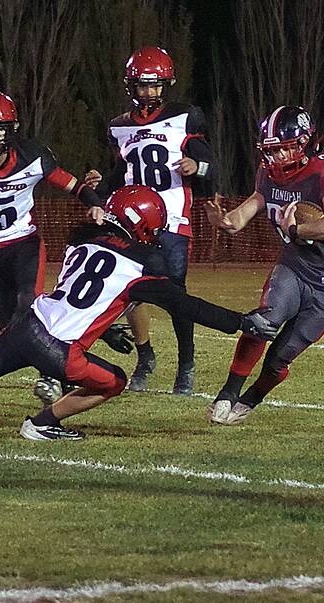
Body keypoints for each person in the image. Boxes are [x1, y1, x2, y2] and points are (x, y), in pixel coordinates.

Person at [0, 185, 278, 440]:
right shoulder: (140, 266)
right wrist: (239, 322)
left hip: (27, 323)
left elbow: (86, 298)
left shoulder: (82, 243)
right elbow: (186, 305)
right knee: (113, 381)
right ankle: (43, 423)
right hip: (59, 347)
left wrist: (110, 328)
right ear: (147, 225)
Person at [0, 90, 120, 406]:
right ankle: (57, 368)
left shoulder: (34, 156)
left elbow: (74, 186)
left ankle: (51, 377)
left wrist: (96, 205)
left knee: (27, 305)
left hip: (24, 244)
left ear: (11, 128)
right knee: (11, 328)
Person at [203, 106, 324, 426]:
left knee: (279, 357)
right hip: (293, 266)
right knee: (264, 321)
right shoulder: (267, 173)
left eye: (284, 147)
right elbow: (244, 213)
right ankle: (227, 393)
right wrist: (224, 221)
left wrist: (297, 230)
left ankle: (252, 397)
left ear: (305, 142)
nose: (277, 157)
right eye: (271, 150)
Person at [97, 46, 217, 394]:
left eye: (155, 86)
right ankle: (145, 355)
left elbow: (212, 165)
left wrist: (198, 167)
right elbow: (120, 174)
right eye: (142, 86)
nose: (149, 93)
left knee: (176, 297)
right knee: (126, 291)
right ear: (130, 86)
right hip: (132, 223)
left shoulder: (185, 116)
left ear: (167, 85)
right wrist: (99, 187)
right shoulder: (119, 126)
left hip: (172, 221)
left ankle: (186, 366)